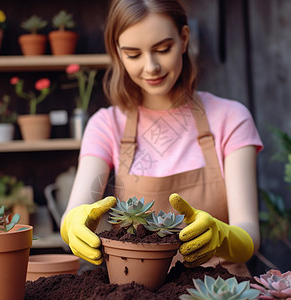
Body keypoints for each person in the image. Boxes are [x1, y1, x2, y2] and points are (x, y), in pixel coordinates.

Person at [61, 0, 263, 277]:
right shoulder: (106, 125)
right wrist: (72, 223)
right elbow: (77, 208)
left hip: (221, 288)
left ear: (183, 39)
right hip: (134, 291)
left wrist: (223, 236)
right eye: (133, 54)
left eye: (163, 49)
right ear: (118, 53)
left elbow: (249, 236)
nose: (151, 66)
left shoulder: (230, 118)